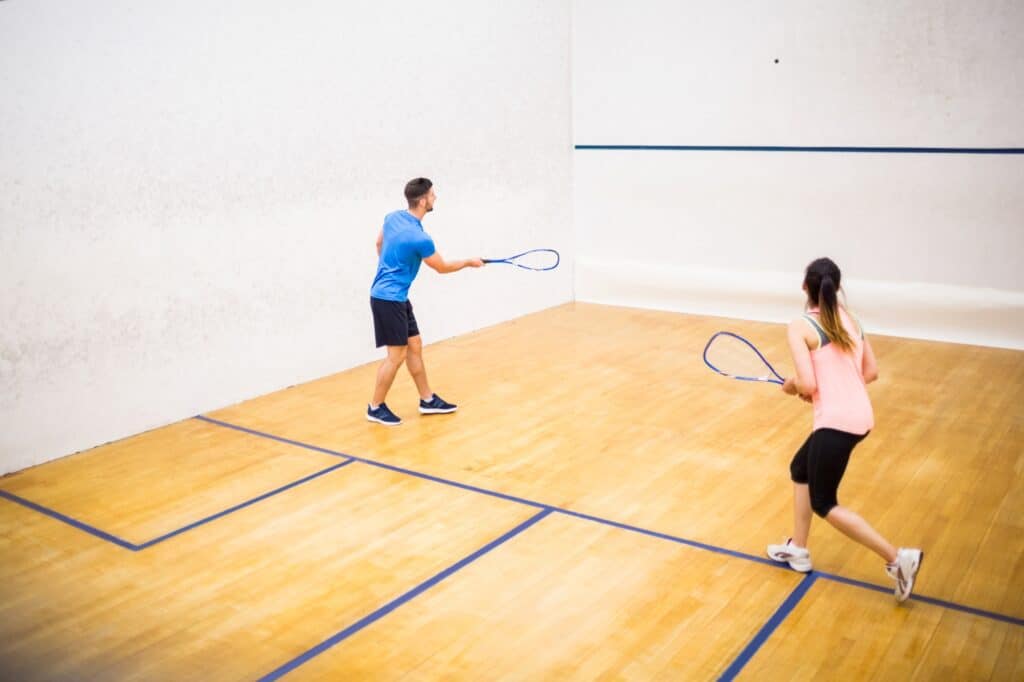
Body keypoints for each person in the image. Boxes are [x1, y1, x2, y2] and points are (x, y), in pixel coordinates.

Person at [767, 257, 923, 603]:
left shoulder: (799, 326)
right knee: (800, 467)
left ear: (804, 287)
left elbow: (806, 382)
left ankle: (898, 559)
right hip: (860, 418)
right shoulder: (851, 320)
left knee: (825, 502)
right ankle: (799, 549)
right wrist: (822, 388)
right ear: (836, 288)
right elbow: (870, 372)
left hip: (836, 422)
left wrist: (796, 386)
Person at [366, 178, 483, 426]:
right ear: (422, 201)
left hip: (394, 296)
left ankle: (427, 400)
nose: (435, 198)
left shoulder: (392, 217)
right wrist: (469, 262)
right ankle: (375, 407)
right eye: (432, 195)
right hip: (389, 300)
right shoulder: (420, 238)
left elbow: (378, 243)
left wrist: (388, 269)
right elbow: (441, 267)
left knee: (415, 345)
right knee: (396, 356)